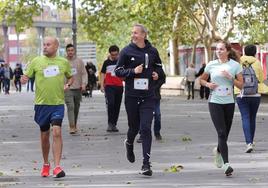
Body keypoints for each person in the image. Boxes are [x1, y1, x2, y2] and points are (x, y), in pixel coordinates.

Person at [115, 24, 165, 176]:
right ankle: (129, 143)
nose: (133, 35)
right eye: (132, 33)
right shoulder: (126, 51)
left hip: (148, 96)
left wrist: (157, 74)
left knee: (145, 128)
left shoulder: (153, 51)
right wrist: (132, 71)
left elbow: (160, 70)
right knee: (134, 128)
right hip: (131, 96)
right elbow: (117, 71)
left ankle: (146, 164)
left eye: (136, 33)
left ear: (144, 35)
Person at [21, 36, 73, 178]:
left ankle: (57, 166)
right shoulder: (36, 61)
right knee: (45, 136)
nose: (45, 47)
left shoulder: (63, 62)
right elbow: (25, 77)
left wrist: (68, 85)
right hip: (41, 105)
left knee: (56, 132)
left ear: (56, 47)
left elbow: (70, 76)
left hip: (57, 104)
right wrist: (23, 79)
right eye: (44, 44)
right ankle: (46, 163)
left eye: (48, 44)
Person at [199, 40, 243, 176]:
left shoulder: (235, 65)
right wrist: (208, 85)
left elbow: (241, 85)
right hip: (215, 101)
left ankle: (218, 150)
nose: (218, 51)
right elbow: (201, 80)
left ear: (228, 51)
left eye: (221, 49)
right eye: (217, 49)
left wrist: (231, 78)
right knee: (221, 132)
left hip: (229, 102)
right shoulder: (211, 65)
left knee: (225, 133)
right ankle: (226, 164)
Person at [234, 44, 268, 153]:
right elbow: (262, 79)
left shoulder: (238, 62)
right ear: (254, 52)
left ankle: (248, 143)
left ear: (244, 51)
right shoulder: (257, 62)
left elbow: (235, 77)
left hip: (241, 93)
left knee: (245, 117)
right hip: (255, 94)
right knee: (252, 118)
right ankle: (251, 141)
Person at [137, 69, 166, 142]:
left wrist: (155, 86)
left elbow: (163, 78)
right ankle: (142, 134)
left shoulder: (156, 66)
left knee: (157, 115)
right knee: (143, 115)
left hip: (154, 96)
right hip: (142, 95)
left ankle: (157, 132)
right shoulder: (140, 66)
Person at [65, 44, 87, 134]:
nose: (70, 52)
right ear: (66, 51)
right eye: (69, 50)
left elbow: (84, 73)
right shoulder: (63, 61)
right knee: (71, 106)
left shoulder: (79, 61)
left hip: (78, 88)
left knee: (76, 107)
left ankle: (74, 123)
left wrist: (84, 84)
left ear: (74, 51)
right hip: (67, 88)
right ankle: (72, 126)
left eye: (72, 50)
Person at [100, 45, 123, 132]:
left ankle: (114, 124)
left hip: (119, 86)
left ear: (118, 53)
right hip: (109, 86)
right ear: (110, 54)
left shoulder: (121, 62)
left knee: (117, 105)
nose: (114, 56)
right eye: (112, 55)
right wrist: (102, 85)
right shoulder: (106, 62)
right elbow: (102, 74)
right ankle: (110, 123)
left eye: (116, 54)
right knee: (111, 104)